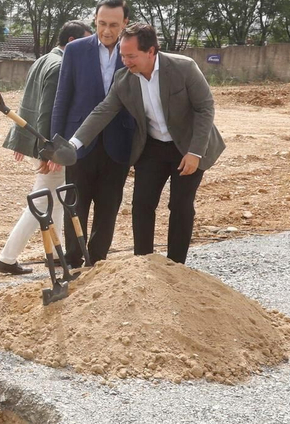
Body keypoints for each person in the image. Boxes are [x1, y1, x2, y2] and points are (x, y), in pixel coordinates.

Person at [52, 22, 224, 264]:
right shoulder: (124, 79)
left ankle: (176, 265)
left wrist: (195, 152)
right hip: (152, 147)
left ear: (151, 51)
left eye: (131, 56)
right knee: (141, 205)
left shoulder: (183, 68)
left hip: (188, 145)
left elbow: (205, 108)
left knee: (180, 206)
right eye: (122, 55)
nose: (125, 61)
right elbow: (102, 111)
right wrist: (73, 144)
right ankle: (144, 263)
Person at [0, 20, 92, 274]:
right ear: (72, 42)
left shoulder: (43, 60)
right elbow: (48, 112)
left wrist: (23, 141)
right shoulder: (60, 66)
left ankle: (59, 254)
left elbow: (28, 103)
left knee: (56, 201)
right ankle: (6, 259)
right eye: (86, 41)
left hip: (38, 143)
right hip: (49, 148)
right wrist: (48, 152)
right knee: (41, 204)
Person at [49, 0, 134, 264]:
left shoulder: (133, 51)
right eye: (101, 23)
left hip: (118, 143)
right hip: (78, 143)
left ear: (126, 23)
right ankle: (73, 260)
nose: (107, 31)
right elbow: (62, 98)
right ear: (94, 21)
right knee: (75, 205)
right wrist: (56, 144)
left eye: (114, 25)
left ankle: (97, 261)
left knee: (108, 208)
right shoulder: (75, 50)